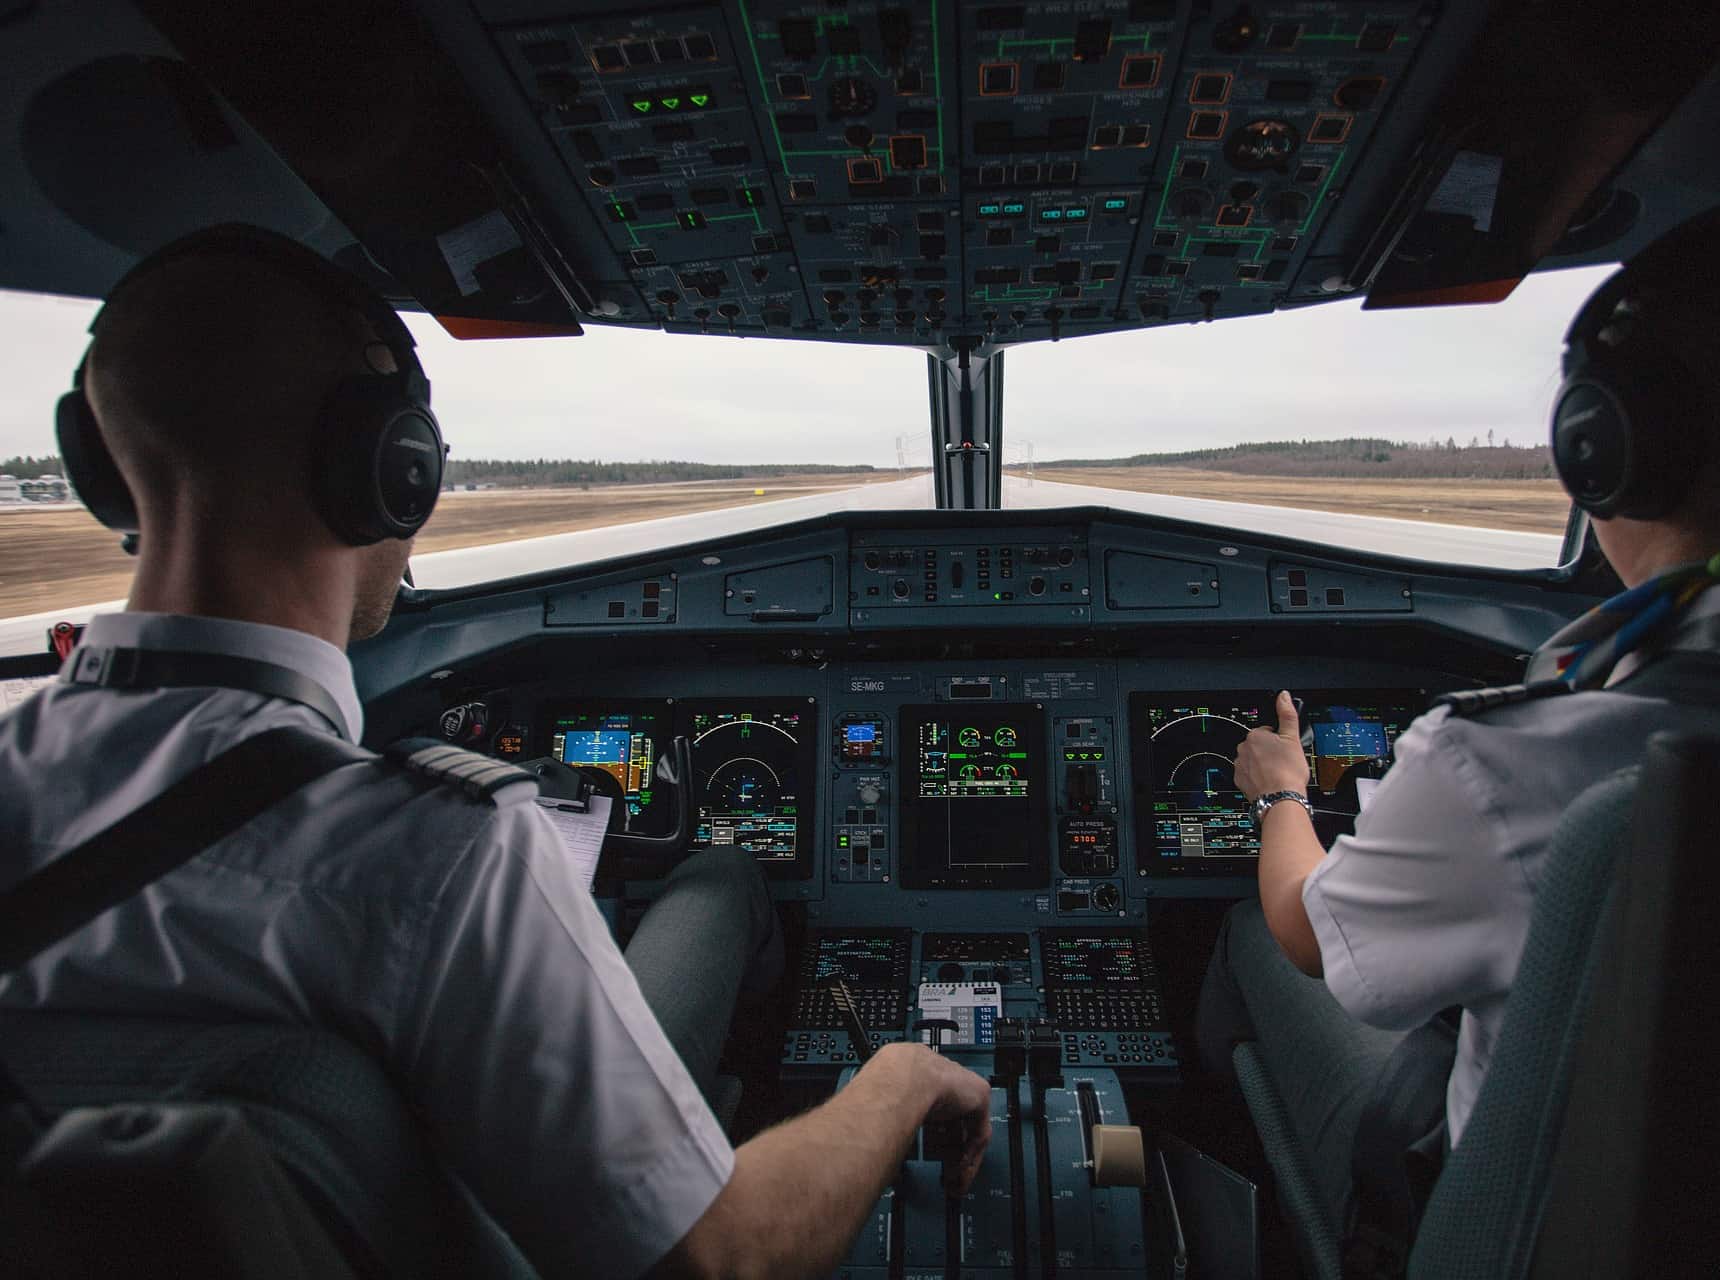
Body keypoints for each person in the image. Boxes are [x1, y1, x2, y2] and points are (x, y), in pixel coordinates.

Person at [0, 226, 989, 1279]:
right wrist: (900, 1074)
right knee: (718, 875)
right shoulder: (435, 849)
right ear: (388, 464)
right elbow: (721, 1259)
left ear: (104, 467)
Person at [1195, 201, 1720, 1235]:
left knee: (1249, 930)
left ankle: (1273, 1201)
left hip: (1509, 1221)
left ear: (1608, 445)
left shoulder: (1514, 759)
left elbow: (1307, 931)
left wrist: (1279, 789)